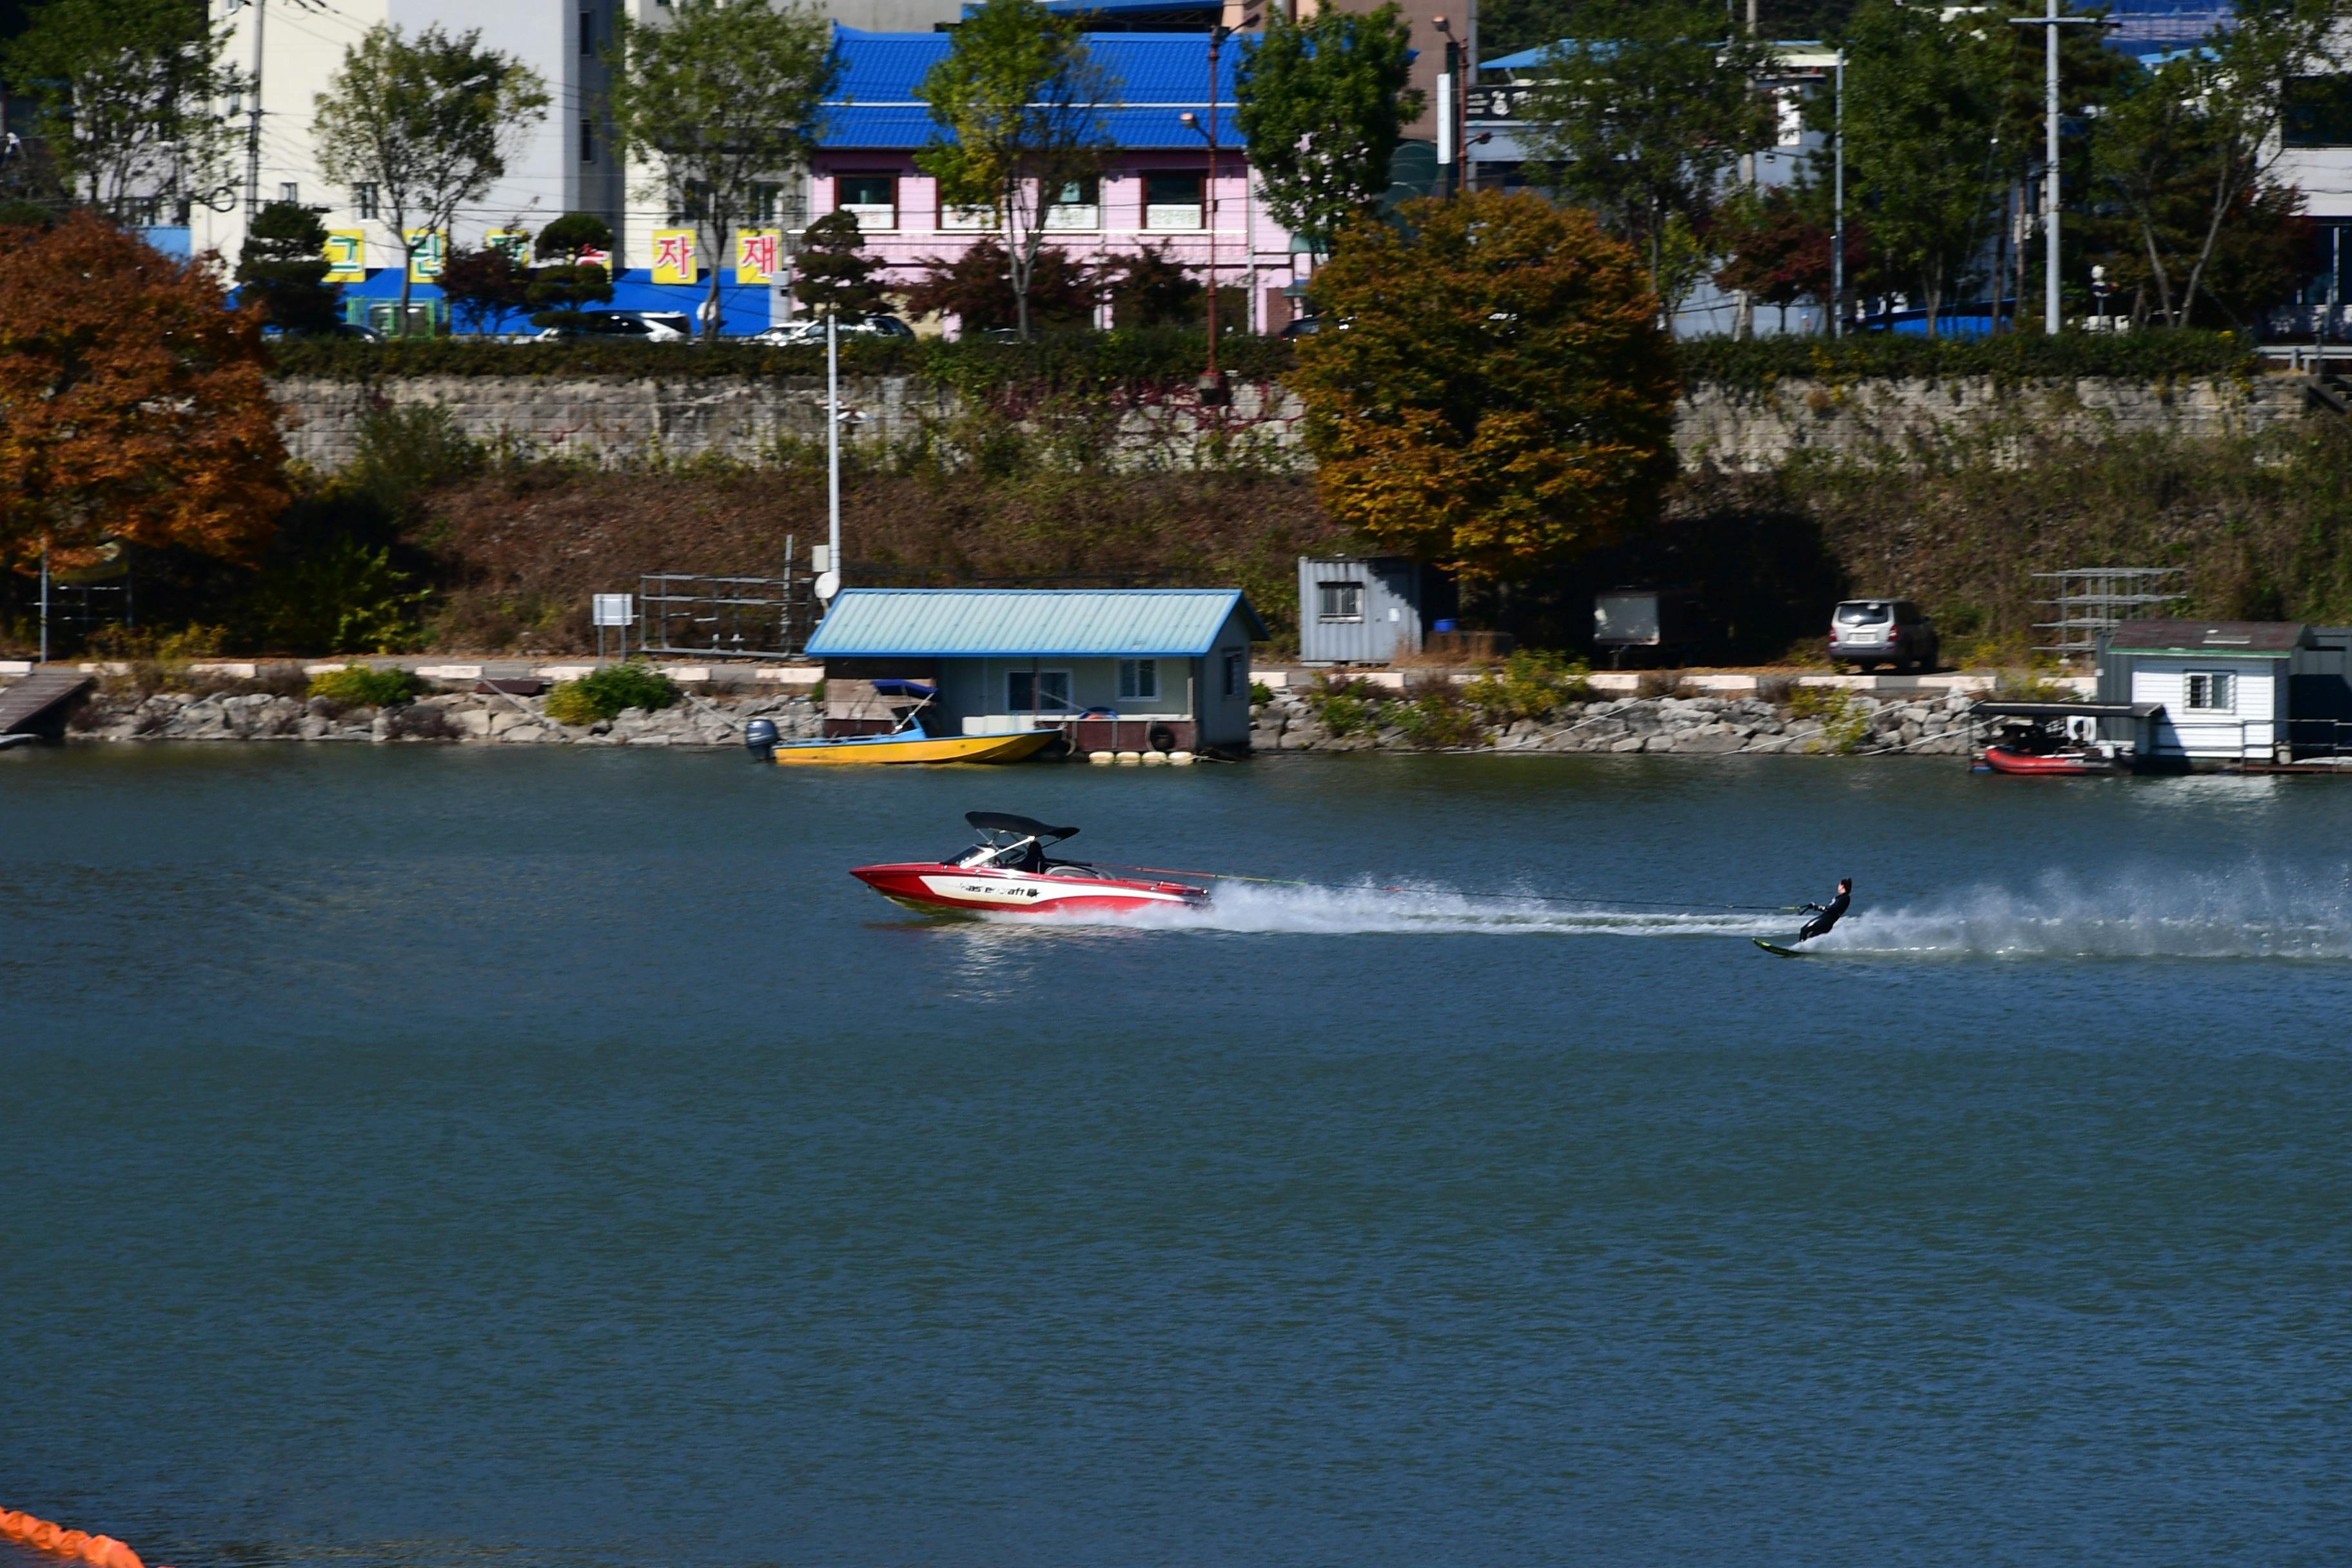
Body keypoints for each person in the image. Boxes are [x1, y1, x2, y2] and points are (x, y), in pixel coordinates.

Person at [1798, 878, 1852, 943]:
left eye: (1839, 885)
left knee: (1804, 930)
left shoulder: (1843, 898)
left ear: (1843, 887)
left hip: (1823, 922)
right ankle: (1805, 949)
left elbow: (1831, 909)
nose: (1838, 887)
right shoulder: (1845, 898)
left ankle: (1801, 948)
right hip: (1828, 925)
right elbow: (1832, 909)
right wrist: (1815, 907)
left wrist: (1816, 907)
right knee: (1811, 938)